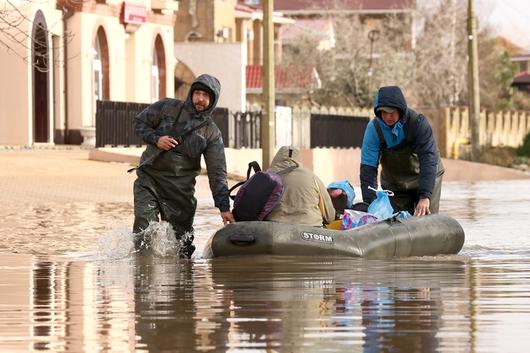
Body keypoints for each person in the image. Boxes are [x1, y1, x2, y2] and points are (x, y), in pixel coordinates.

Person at [133, 73, 235, 258]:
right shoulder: (167, 107)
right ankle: (143, 276)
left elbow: (217, 172)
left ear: (212, 100)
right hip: (149, 180)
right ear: (191, 93)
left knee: (183, 248)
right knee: (143, 228)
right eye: (197, 93)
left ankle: (183, 283)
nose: (200, 99)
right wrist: (156, 139)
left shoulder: (212, 134)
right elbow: (140, 122)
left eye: (206, 96)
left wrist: (224, 208)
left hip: (180, 191)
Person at [360, 86, 444, 216]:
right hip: (395, 185)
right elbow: (368, 169)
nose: (388, 116)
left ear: (400, 110)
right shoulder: (373, 129)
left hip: (426, 176)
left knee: (426, 218)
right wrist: (371, 203)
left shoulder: (418, 124)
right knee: (397, 222)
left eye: (392, 112)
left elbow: (428, 160)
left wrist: (425, 196)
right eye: (384, 112)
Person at [265, 146, 335, 227]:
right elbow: (330, 216)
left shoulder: (266, 177)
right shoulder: (313, 178)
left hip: (275, 228)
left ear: (276, 159)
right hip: (311, 228)